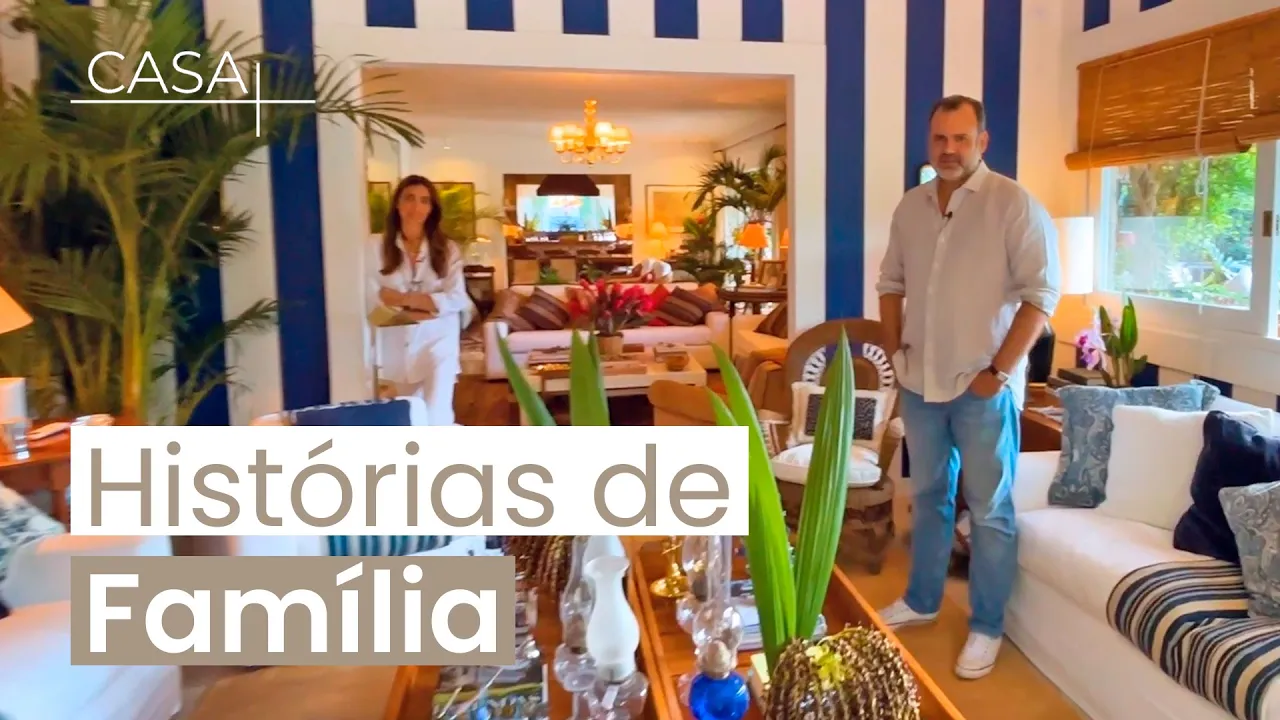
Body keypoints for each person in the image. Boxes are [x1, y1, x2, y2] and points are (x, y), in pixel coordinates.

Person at [875, 95, 1060, 679]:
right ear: (929, 142)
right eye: (940, 138)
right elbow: (890, 282)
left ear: (982, 141)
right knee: (929, 495)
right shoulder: (911, 206)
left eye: (961, 138)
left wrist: (998, 373)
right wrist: (896, 351)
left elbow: (1041, 297)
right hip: (920, 381)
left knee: (988, 510)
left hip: (983, 387)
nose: (949, 149)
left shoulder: (1014, 204)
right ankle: (922, 600)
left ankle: (986, 626)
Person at [367, 174, 472, 425]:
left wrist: (402, 299)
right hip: (395, 345)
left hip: (439, 341)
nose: (417, 207)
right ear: (397, 204)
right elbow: (373, 297)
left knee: (437, 412)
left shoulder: (447, 249)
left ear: (432, 208)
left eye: (425, 201)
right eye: (410, 198)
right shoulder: (374, 246)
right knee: (409, 416)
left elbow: (457, 298)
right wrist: (428, 305)